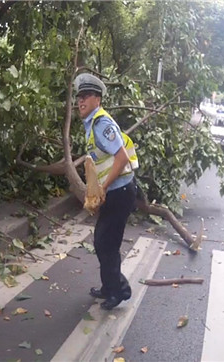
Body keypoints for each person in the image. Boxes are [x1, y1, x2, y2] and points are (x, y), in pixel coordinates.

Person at [74, 73, 139, 310]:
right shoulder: (92, 124)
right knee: (103, 242)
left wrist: (102, 188)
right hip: (115, 192)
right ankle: (109, 287)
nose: (81, 101)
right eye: (79, 97)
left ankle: (119, 290)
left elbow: (121, 158)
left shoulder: (101, 124)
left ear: (98, 100)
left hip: (120, 193)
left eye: (87, 96)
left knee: (106, 243)